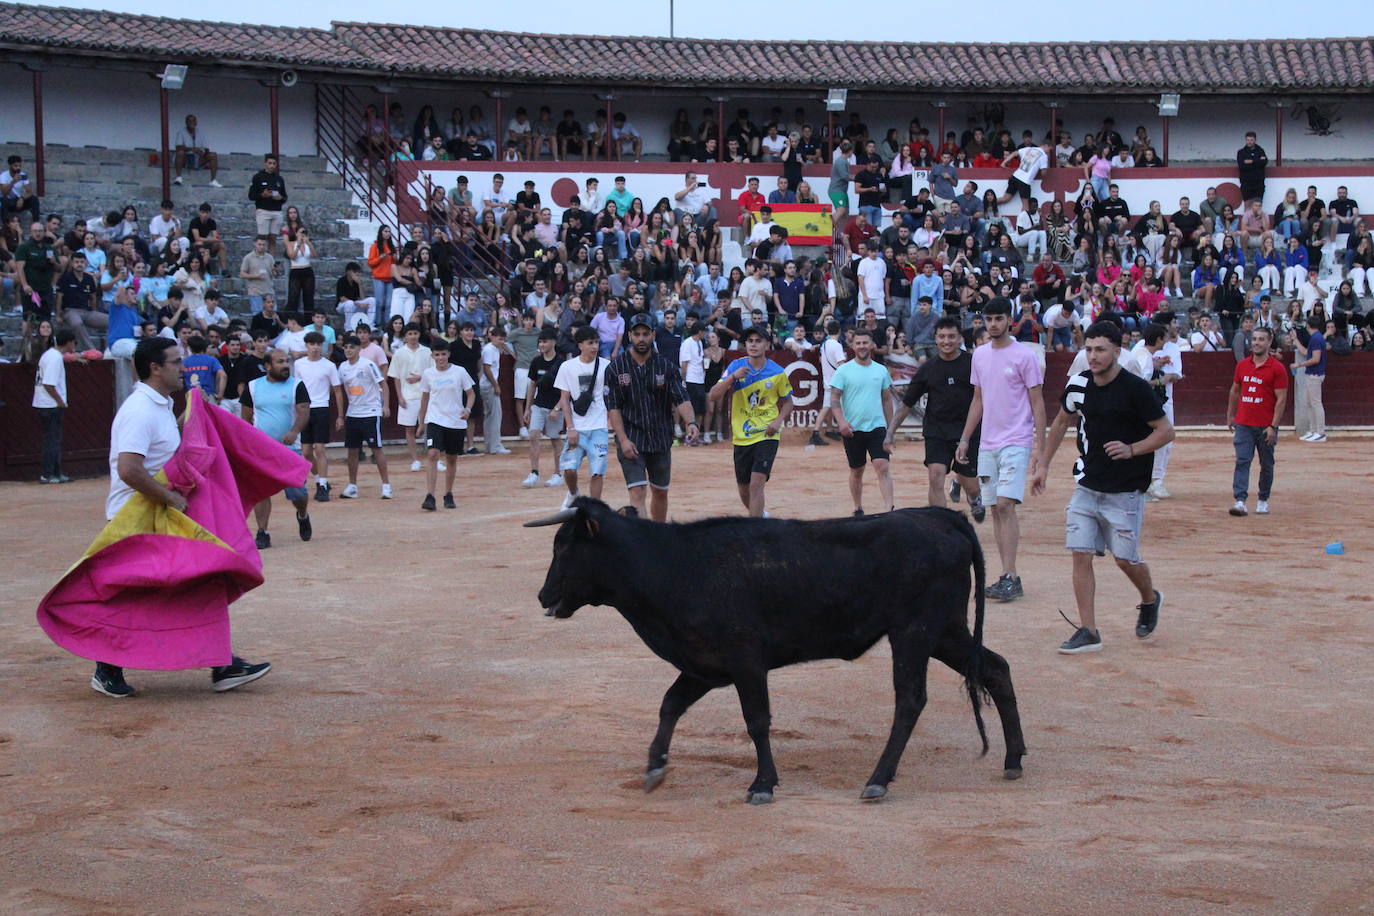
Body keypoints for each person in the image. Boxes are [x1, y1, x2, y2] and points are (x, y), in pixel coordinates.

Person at [93, 338, 272, 697]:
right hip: (137, 522)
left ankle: (222, 665)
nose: (183, 368)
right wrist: (171, 499)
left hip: (157, 517)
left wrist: (190, 417)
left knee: (199, 583)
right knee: (135, 597)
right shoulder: (140, 410)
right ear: (155, 368)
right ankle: (106, 667)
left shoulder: (157, 405)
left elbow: (161, 452)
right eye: (176, 362)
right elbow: (129, 469)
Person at [1031, 321, 1173, 655]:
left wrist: (1132, 449)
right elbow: (1062, 421)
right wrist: (1043, 465)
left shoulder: (1137, 389)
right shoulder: (1079, 385)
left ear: (1117, 352)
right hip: (1087, 484)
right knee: (1080, 555)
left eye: (1100, 350)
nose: (1093, 356)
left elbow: (1166, 432)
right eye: (1089, 349)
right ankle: (1089, 630)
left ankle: (1150, 599)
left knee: (1125, 559)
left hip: (1125, 490)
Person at [956, 297, 1046, 602]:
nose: (993, 324)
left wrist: (1040, 451)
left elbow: (1038, 403)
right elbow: (978, 399)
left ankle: (1011, 575)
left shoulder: (1025, 356)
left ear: (1010, 320)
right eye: (989, 319)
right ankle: (1007, 575)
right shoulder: (979, 356)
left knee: (1005, 505)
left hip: (1016, 440)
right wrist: (966, 438)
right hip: (988, 443)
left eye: (998, 318)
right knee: (995, 508)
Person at [887, 317, 984, 519]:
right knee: (935, 477)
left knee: (971, 484)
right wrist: (890, 432)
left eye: (951, 336)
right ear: (935, 339)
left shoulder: (973, 363)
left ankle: (974, 499)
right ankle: (942, 523)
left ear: (959, 339)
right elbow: (907, 403)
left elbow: (983, 399)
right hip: (936, 431)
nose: (946, 341)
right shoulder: (928, 368)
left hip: (967, 432)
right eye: (942, 336)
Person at [606, 314, 700, 520]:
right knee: (637, 491)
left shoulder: (666, 367)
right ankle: (643, 543)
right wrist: (622, 439)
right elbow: (613, 407)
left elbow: (681, 398)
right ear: (629, 336)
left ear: (653, 335)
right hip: (631, 438)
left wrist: (691, 422)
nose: (641, 338)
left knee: (660, 491)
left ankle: (658, 535)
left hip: (660, 437)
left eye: (646, 334)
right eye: (637, 334)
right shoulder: (615, 368)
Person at [709, 324, 793, 517]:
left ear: (767, 345)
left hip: (767, 434)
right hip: (741, 436)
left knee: (756, 484)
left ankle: (756, 532)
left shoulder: (777, 372)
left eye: (758, 341)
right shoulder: (735, 367)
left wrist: (778, 421)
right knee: (743, 489)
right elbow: (713, 395)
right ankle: (761, 517)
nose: (753, 345)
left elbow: (788, 403)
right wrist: (732, 378)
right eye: (750, 341)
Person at [242, 348, 313, 550]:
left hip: (290, 450)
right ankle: (262, 532)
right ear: (267, 366)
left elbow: (304, 412)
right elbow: (245, 418)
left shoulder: (296, 385)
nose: (285, 365)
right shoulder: (253, 386)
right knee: (260, 492)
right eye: (280, 362)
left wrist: (294, 431)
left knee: (298, 494)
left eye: (286, 361)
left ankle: (302, 514)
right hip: (261, 450)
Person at [828, 328, 895, 516]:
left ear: (872, 344)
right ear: (852, 345)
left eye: (865, 342)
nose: (862, 346)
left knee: (882, 466)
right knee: (857, 470)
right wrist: (841, 422)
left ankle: (889, 509)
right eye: (858, 343)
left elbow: (887, 400)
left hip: (877, 427)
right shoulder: (843, 370)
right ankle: (858, 508)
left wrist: (890, 429)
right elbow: (834, 399)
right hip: (852, 428)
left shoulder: (881, 370)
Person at [1226, 326, 1288, 517]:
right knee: (1242, 460)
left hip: (1265, 425)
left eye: (1261, 339)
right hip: (1244, 422)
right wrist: (1230, 415)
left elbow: (1281, 399)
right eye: (1254, 339)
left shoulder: (1277, 368)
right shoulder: (1242, 365)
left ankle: (1263, 499)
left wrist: (1273, 426)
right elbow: (1235, 390)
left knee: (1267, 463)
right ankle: (1240, 500)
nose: (1256, 343)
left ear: (1269, 343)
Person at [555, 326, 612, 507]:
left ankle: (595, 509)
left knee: (597, 471)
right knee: (569, 469)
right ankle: (573, 493)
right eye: (590, 343)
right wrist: (570, 427)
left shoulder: (607, 366)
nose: (594, 346)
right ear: (580, 345)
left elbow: (613, 395)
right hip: (577, 426)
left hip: (599, 426)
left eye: (596, 342)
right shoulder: (567, 367)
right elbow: (564, 400)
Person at [416, 343, 476, 511]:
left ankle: (448, 493)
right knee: (433, 453)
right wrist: (421, 422)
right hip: (435, 419)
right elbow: (425, 399)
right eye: (437, 355)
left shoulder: (459, 371)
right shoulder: (428, 374)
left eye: (443, 354)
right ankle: (430, 496)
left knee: (451, 457)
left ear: (448, 354)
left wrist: (468, 410)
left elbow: (471, 393)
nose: (440, 358)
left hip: (455, 421)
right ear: (432, 356)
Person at [1131, 321, 1184, 500]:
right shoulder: (1144, 355)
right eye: (1164, 338)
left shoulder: (1142, 353)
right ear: (1159, 339)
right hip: (1141, 406)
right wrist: (1161, 380)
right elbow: (1141, 384)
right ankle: (1143, 485)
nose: (1166, 343)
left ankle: (1144, 484)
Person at [336, 335, 393, 500]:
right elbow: (338, 388)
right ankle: (352, 486)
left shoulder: (368, 365)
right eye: (345, 347)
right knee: (352, 450)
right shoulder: (342, 368)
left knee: (377, 450)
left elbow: (383, 384)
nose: (348, 350)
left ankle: (386, 486)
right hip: (353, 413)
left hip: (371, 412)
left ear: (359, 349)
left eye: (351, 347)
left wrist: (386, 405)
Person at [293, 331, 344, 501]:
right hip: (304, 409)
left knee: (320, 448)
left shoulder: (328, 365)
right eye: (312, 344)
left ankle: (323, 485)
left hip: (321, 408)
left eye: (318, 344)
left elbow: (337, 390)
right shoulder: (299, 364)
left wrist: (340, 416)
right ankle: (318, 480)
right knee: (306, 452)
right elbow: (296, 390)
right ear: (306, 346)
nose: (315, 348)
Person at [522, 328, 566, 488]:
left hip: (555, 407)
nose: (542, 344)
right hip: (539, 406)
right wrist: (528, 408)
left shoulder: (562, 364)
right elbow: (532, 385)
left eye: (545, 341)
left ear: (553, 342)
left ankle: (558, 473)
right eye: (540, 342)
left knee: (555, 439)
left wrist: (557, 408)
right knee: (533, 435)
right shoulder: (536, 362)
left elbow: (566, 389)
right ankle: (534, 472)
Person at [388, 322, 433, 471]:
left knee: (431, 428)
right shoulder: (399, 354)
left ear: (419, 335)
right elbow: (396, 377)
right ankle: (415, 460)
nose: (413, 337)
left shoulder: (427, 352)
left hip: (425, 395)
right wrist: (400, 397)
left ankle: (434, 458)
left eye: (415, 333)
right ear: (405, 336)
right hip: (408, 396)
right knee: (409, 429)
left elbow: (433, 373)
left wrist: (421, 378)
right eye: (410, 334)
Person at [33, 328, 76, 484]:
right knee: (52, 440)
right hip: (50, 404)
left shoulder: (50, 355)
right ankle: (48, 474)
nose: (74, 346)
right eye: (74, 342)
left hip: (44, 403)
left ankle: (55, 473)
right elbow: (49, 384)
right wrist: (60, 401)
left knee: (52, 439)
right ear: (69, 342)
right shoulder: (55, 358)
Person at [1290, 315, 1327, 442]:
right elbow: (1306, 353)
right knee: (1310, 403)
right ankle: (1313, 430)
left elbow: (1315, 359)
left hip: (1315, 374)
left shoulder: (1316, 339)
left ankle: (1320, 432)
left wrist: (1298, 364)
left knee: (1315, 403)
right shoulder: (1316, 338)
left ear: (1308, 326)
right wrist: (1295, 340)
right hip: (1312, 373)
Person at [808, 320, 846, 447]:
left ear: (827, 331)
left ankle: (829, 430)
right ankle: (815, 432)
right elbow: (841, 365)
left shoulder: (824, 345)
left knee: (828, 407)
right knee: (827, 407)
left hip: (828, 380)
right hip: (836, 382)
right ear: (839, 330)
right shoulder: (837, 345)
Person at [480, 326, 512, 454]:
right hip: (489, 386)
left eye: (503, 339)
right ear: (491, 337)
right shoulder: (489, 350)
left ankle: (490, 445)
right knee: (495, 416)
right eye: (499, 339)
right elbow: (487, 369)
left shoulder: (492, 349)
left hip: (487, 385)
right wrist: (496, 385)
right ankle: (495, 446)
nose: (501, 342)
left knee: (489, 416)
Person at [247, 154, 288, 252]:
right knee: (262, 238)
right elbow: (251, 196)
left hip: (277, 211)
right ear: (265, 163)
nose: (272, 166)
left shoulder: (279, 179)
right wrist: (262, 195)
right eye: (270, 163)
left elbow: (285, 197)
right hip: (263, 210)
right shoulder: (257, 177)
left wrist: (280, 197)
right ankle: (260, 261)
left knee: (273, 238)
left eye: (274, 163)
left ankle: (271, 263)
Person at [172, 114, 222, 187]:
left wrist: (202, 152)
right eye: (189, 121)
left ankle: (213, 180)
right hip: (186, 158)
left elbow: (206, 148)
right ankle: (179, 178)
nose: (191, 122)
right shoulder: (181, 132)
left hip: (198, 158)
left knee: (213, 155)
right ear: (186, 122)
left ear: (196, 122)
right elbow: (178, 147)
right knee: (180, 152)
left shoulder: (201, 133)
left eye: (193, 121)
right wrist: (192, 149)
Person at [1237, 131, 1268, 204]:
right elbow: (1242, 166)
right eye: (1248, 140)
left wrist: (1251, 161)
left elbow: (1264, 162)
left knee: (1258, 205)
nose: (1249, 142)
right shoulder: (1241, 152)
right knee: (1247, 205)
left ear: (1255, 140)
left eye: (1251, 140)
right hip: (1246, 183)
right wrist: (1257, 162)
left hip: (1259, 183)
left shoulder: (1260, 151)